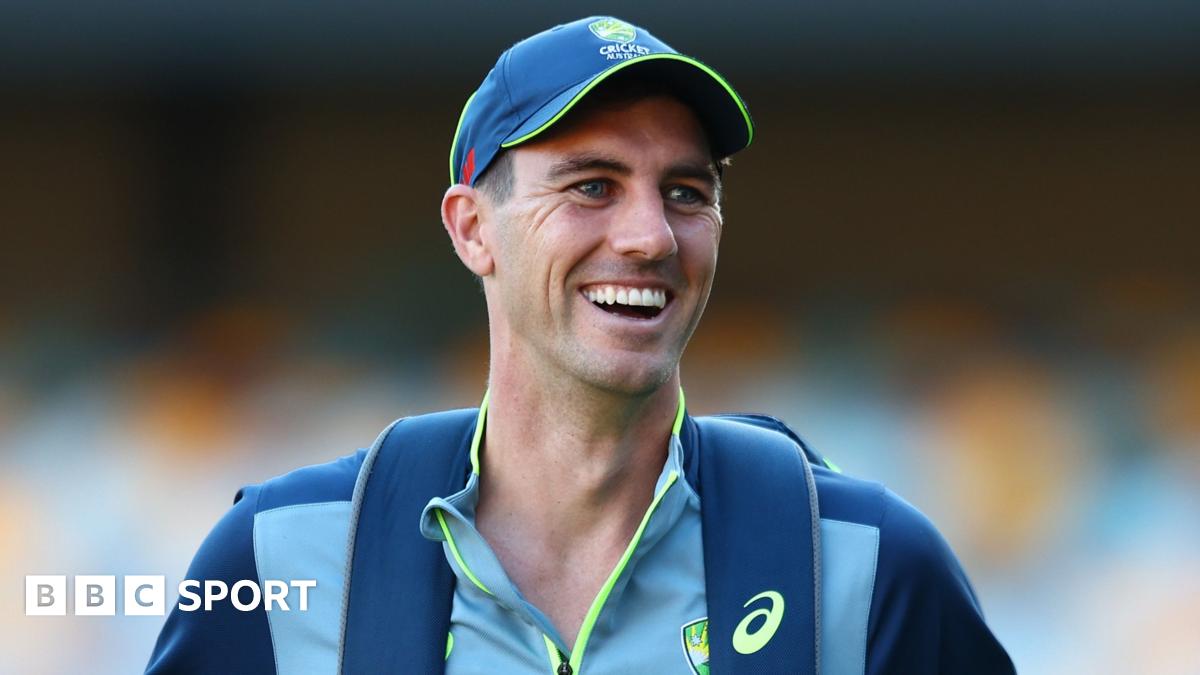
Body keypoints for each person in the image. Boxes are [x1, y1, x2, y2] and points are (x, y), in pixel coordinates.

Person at [146, 16, 1015, 675]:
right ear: (472, 228)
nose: (649, 237)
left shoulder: (867, 562)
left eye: (685, 191)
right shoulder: (278, 555)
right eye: (591, 185)